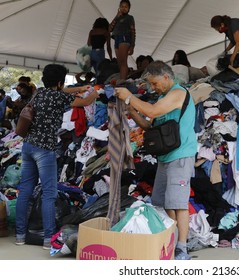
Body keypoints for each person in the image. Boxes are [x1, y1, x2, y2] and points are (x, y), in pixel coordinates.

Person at [115, 61, 197, 260]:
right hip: (165, 157)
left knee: (178, 203)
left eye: (154, 83)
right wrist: (132, 111)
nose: (153, 88)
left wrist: (130, 97)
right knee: (162, 202)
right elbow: (149, 124)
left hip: (181, 155)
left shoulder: (178, 93)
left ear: (166, 77)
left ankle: (181, 247)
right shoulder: (163, 98)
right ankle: (169, 240)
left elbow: (151, 111)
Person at [15, 64, 99, 249]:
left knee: (26, 190)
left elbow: (65, 90)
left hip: (28, 146)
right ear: (60, 82)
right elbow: (85, 102)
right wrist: (94, 92)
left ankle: (20, 235)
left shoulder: (39, 93)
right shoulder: (60, 97)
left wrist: (79, 88)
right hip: (44, 150)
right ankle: (47, 240)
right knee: (49, 193)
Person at [109, 0, 136, 81]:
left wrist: (132, 46)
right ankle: (122, 80)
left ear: (129, 9)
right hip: (116, 39)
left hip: (124, 38)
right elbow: (110, 29)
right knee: (120, 63)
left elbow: (133, 32)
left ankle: (122, 82)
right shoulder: (117, 18)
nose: (124, 8)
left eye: (126, 7)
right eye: (122, 6)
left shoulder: (129, 18)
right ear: (119, 7)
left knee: (123, 62)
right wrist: (117, 16)